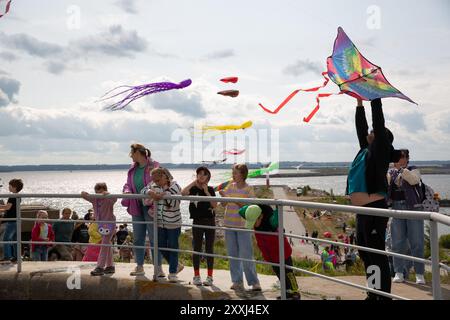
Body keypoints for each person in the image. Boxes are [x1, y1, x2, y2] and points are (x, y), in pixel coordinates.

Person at [346, 98, 401, 300]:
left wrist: (374, 97)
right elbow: (362, 128)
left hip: (375, 210)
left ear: (381, 140)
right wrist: (359, 103)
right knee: (366, 253)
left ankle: (383, 297)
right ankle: (373, 292)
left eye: (373, 132)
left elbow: (377, 121)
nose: (369, 133)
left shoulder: (380, 152)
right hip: (363, 212)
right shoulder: (365, 150)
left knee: (376, 254)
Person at [239, 204, 300, 300]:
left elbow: (277, 215)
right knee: (279, 274)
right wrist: (252, 206)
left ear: (261, 216)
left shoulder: (271, 221)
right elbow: (241, 211)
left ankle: (295, 293)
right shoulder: (254, 215)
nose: (253, 225)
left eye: (254, 221)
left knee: (289, 273)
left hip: (283, 253)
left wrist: (277, 206)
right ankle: (286, 293)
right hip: (271, 256)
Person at [219, 164, 261, 291]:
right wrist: (224, 197)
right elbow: (223, 204)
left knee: (246, 254)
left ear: (243, 174)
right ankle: (237, 281)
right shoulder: (230, 186)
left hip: (243, 226)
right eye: (233, 172)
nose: (233, 175)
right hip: (229, 224)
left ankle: (254, 282)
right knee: (233, 254)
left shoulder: (249, 189)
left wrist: (232, 199)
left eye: (235, 173)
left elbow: (250, 207)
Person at [121, 143, 160, 277]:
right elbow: (128, 184)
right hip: (136, 205)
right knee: (138, 238)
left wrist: (147, 192)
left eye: (132, 153)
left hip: (150, 206)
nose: (130, 156)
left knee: (154, 237)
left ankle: (158, 268)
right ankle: (139, 266)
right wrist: (126, 191)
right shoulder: (132, 168)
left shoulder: (154, 165)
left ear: (138, 152)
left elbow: (158, 182)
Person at [387, 149, 425, 284]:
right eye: (398, 157)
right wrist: (395, 171)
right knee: (397, 242)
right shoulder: (391, 172)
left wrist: (402, 170)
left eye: (403, 157)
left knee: (417, 242)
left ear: (408, 158)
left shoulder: (413, 169)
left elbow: (414, 180)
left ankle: (419, 273)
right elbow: (390, 184)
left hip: (413, 208)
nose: (401, 160)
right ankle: (399, 272)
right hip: (397, 207)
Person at [181, 166, 217, 286]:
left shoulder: (211, 189)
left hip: (210, 221)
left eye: (204, 174)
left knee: (209, 249)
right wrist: (193, 183)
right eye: (199, 174)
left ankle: (210, 276)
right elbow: (183, 193)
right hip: (197, 221)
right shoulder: (193, 189)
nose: (201, 176)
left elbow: (214, 205)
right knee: (196, 248)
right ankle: (196, 275)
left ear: (208, 177)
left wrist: (206, 191)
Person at [146, 167, 183, 282]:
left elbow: (174, 203)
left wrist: (163, 194)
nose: (155, 182)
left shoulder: (175, 186)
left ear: (165, 177)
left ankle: (172, 272)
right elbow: (144, 190)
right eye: (154, 180)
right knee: (161, 245)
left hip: (173, 223)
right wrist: (150, 192)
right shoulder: (154, 185)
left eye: (157, 180)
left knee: (173, 246)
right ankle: (176, 265)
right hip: (160, 223)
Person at [81, 183, 117, 276]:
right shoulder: (95, 199)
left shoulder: (109, 199)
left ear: (105, 190)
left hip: (109, 224)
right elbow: (86, 196)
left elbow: (115, 199)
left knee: (104, 245)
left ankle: (100, 267)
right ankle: (110, 266)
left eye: (101, 191)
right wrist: (83, 193)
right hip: (101, 225)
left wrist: (107, 194)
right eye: (97, 191)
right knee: (107, 244)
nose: (99, 193)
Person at [0, 178, 23, 263]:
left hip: (12, 221)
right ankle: (16, 257)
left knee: (6, 239)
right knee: (15, 240)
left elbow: (7, 207)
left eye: (9, 186)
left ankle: (7, 257)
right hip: (17, 220)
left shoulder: (12, 196)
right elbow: (10, 208)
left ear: (14, 187)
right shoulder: (18, 196)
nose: (8, 187)